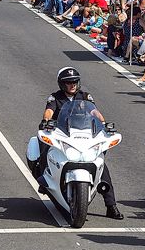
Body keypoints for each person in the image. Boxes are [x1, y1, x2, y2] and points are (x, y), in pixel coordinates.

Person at [34, 67, 122, 220]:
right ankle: (44, 179)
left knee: (100, 163)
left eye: (74, 81)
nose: (72, 84)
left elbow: (94, 111)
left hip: (84, 134)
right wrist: (46, 121)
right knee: (46, 148)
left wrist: (103, 122)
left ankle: (111, 205)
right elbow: (49, 111)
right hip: (63, 133)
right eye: (69, 82)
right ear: (62, 84)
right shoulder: (55, 97)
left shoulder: (85, 96)